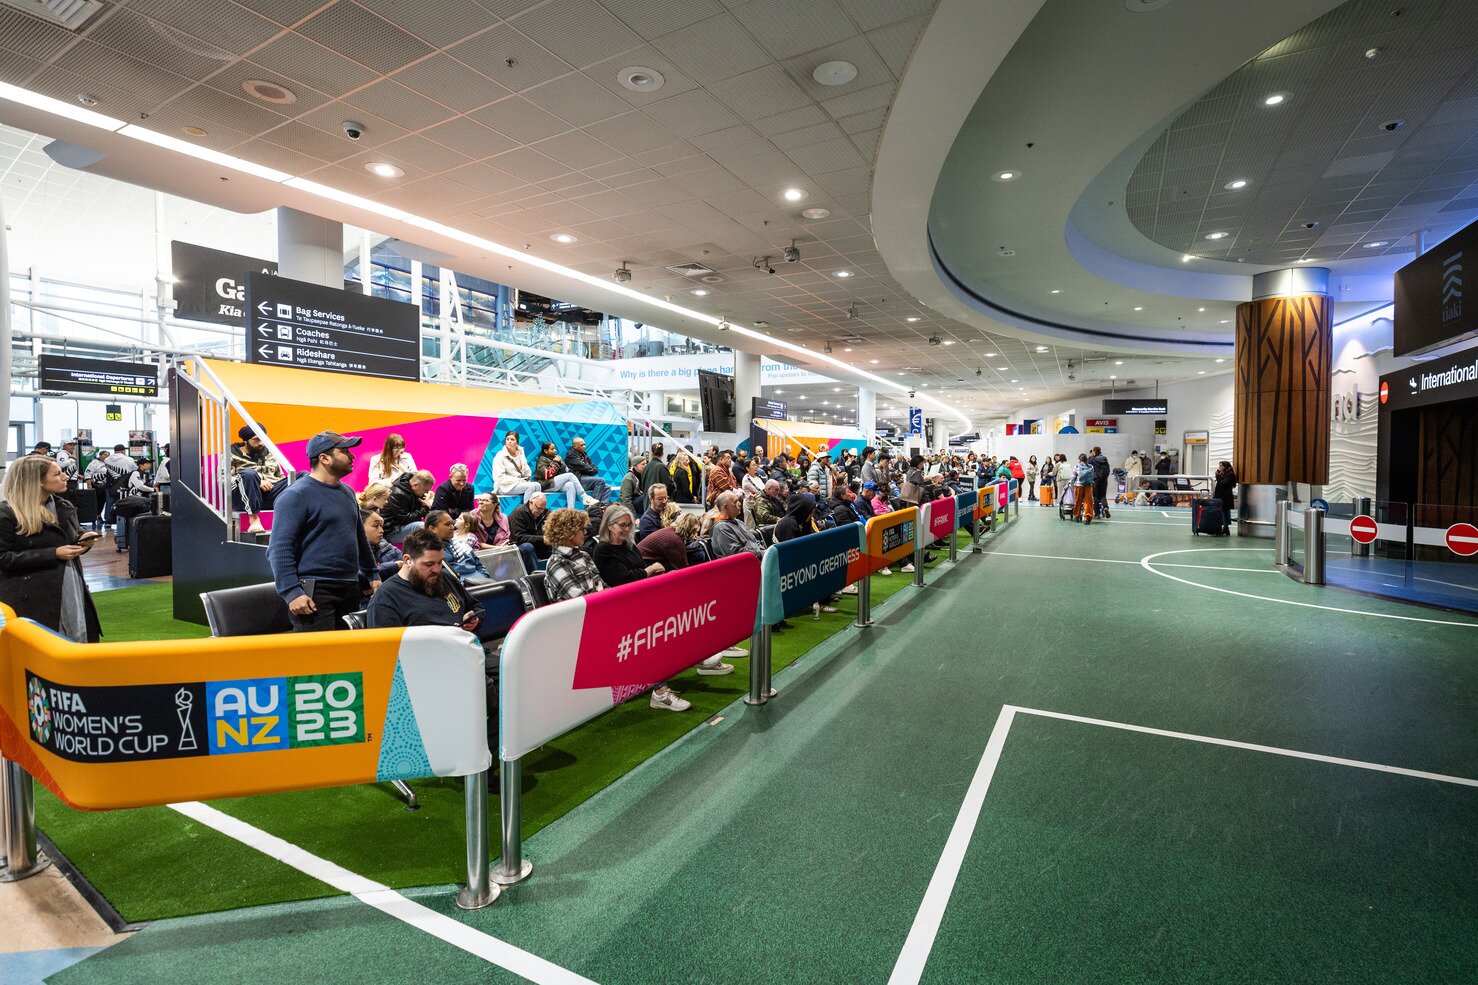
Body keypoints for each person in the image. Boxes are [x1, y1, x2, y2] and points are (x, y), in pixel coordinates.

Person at [267, 431, 380, 632]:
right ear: (324, 458)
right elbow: (279, 548)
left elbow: (359, 538)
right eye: (345, 451)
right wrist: (291, 592)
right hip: (314, 592)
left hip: (349, 587)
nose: (353, 456)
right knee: (319, 661)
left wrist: (372, 574)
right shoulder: (295, 496)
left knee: (345, 657)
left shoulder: (346, 492)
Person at [0, 455, 102, 642]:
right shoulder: (7, 514)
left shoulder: (64, 506)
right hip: (31, 598)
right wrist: (53, 554)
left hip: (71, 587)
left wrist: (83, 540)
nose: (65, 477)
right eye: (57, 474)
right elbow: (3, 558)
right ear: (37, 481)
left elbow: (72, 539)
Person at [230, 426, 288, 534]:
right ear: (246, 440)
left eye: (262, 439)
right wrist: (258, 481)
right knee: (249, 474)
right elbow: (224, 480)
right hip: (245, 498)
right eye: (256, 439)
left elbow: (280, 477)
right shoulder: (232, 454)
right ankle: (254, 519)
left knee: (302, 477)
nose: (261, 443)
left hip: (269, 495)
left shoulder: (269, 453)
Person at [426, 509, 488, 584]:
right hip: (461, 589)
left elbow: (479, 566)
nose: (452, 527)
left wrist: (485, 578)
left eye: (452, 523)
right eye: (447, 525)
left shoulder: (461, 543)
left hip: (482, 583)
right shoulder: (429, 553)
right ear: (432, 528)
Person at [534, 440, 595, 508]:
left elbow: (566, 470)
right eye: (552, 449)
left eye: (555, 449)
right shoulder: (542, 459)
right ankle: (584, 496)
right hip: (546, 485)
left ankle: (570, 510)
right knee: (570, 475)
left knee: (570, 485)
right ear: (545, 451)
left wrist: (560, 463)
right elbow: (547, 475)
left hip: (554, 484)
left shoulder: (555, 458)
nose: (555, 451)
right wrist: (555, 462)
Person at [709, 490, 764, 559]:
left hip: (759, 559)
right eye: (735, 502)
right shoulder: (721, 528)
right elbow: (737, 554)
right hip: (745, 565)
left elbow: (755, 541)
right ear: (725, 507)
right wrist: (762, 554)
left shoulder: (739, 522)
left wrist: (765, 552)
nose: (739, 504)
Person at [381, 469, 434, 542]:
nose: (426, 492)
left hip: (405, 525)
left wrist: (429, 508)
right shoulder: (397, 493)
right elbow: (405, 519)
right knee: (422, 527)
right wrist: (425, 508)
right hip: (393, 531)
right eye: (425, 490)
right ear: (416, 485)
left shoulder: (415, 490)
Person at [492, 431, 542, 503]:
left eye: (512, 439)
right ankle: (527, 511)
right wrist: (518, 480)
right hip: (504, 486)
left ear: (517, 442)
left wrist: (527, 478)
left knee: (537, 485)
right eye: (507, 439)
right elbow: (499, 478)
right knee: (531, 486)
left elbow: (526, 468)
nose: (509, 441)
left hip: (518, 483)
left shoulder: (520, 453)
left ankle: (537, 509)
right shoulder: (500, 455)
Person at [564, 436, 612, 504]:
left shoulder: (584, 454)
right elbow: (583, 466)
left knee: (607, 487)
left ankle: (602, 507)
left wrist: (589, 468)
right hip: (578, 480)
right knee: (600, 481)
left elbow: (594, 468)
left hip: (586, 478)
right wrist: (589, 468)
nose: (584, 446)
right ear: (575, 446)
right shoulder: (570, 455)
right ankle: (593, 506)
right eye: (581, 445)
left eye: (584, 444)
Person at [362, 508, 403, 580]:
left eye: (381, 526)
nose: (382, 530)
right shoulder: (346, 552)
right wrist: (394, 566)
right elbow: (358, 577)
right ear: (359, 527)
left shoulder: (385, 546)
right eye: (376, 525)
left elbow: (404, 562)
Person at [508, 492, 551, 561]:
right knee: (527, 547)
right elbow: (519, 537)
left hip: (537, 543)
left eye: (543, 508)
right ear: (531, 503)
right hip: (519, 544)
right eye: (539, 508)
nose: (541, 511)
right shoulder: (519, 512)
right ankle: (533, 572)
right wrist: (542, 539)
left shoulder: (545, 512)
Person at [1070, 453, 1096, 524]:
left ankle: (1077, 516)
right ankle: (1088, 518)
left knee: (1078, 501)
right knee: (1088, 502)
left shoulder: (1077, 466)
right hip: (1088, 486)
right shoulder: (1091, 467)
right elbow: (1092, 476)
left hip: (1078, 486)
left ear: (1079, 459)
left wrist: (1070, 483)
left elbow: (1073, 477)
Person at [1212, 460, 1237, 530]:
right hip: (1221, 495)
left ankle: (1226, 527)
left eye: (1221, 466)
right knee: (1222, 511)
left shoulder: (1230, 474)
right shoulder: (1223, 474)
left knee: (1225, 512)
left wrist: (1218, 476)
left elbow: (1223, 484)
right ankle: (1224, 527)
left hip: (1225, 496)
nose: (1219, 467)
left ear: (1225, 466)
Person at [1088, 446, 1111, 519]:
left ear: (1094, 452)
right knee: (1103, 495)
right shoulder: (1104, 459)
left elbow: (1086, 464)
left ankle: (1097, 514)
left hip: (1096, 480)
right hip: (1104, 480)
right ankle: (1105, 507)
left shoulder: (1092, 459)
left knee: (1096, 497)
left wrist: (1090, 457)